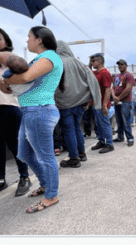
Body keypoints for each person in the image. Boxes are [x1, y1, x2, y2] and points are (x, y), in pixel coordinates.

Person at [0, 26, 63, 213]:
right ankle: (45, 184)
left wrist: (7, 80)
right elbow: (18, 84)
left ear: (39, 40)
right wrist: (7, 82)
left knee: (46, 157)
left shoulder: (50, 57)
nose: (26, 41)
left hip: (39, 111)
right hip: (30, 111)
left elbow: (25, 76)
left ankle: (51, 195)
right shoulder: (37, 59)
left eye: (29, 37)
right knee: (25, 154)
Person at [54, 41, 101, 168]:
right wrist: (92, 98)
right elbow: (93, 81)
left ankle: (74, 158)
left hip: (64, 104)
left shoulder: (57, 63)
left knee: (68, 131)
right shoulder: (80, 64)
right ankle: (82, 153)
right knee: (77, 129)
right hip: (80, 104)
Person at [0, 28, 32, 196]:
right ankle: (1, 179)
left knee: (15, 144)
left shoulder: (12, 61)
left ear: (6, 42)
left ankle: (24, 177)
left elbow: (20, 85)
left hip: (9, 107)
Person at [88, 54, 114, 154]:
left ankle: (109, 144)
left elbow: (108, 90)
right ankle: (102, 141)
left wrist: (104, 105)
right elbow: (88, 73)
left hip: (101, 104)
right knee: (98, 125)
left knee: (104, 124)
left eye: (93, 61)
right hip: (95, 103)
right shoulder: (96, 72)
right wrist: (89, 64)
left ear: (99, 61)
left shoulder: (105, 73)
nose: (92, 62)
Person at [111, 59, 135, 146]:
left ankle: (130, 138)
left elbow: (128, 89)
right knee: (119, 121)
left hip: (125, 102)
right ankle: (120, 137)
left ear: (126, 65)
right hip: (117, 102)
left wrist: (119, 98)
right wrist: (114, 97)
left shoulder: (129, 75)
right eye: (119, 65)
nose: (120, 66)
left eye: (122, 64)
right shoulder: (116, 76)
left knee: (126, 121)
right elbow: (112, 88)